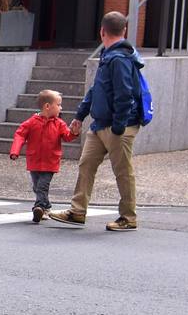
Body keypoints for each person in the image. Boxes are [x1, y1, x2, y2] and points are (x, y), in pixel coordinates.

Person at [47, 12, 144, 232]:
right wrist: (81, 115)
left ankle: (128, 217)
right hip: (101, 124)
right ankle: (77, 211)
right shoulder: (110, 55)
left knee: (123, 171)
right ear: (124, 31)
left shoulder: (119, 58)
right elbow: (97, 89)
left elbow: (124, 94)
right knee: (87, 164)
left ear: (102, 31)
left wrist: (118, 126)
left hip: (118, 126)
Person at [9, 89, 75, 222]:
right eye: (59, 105)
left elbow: (67, 136)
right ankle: (47, 206)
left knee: (42, 186)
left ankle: (38, 207)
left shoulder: (59, 123)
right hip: (34, 161)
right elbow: (20, 135)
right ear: (47, 106)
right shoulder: (32, 122)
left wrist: (74, 132)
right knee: (37, 186)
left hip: (50, 161)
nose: (61, 108)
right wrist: (15, 151)